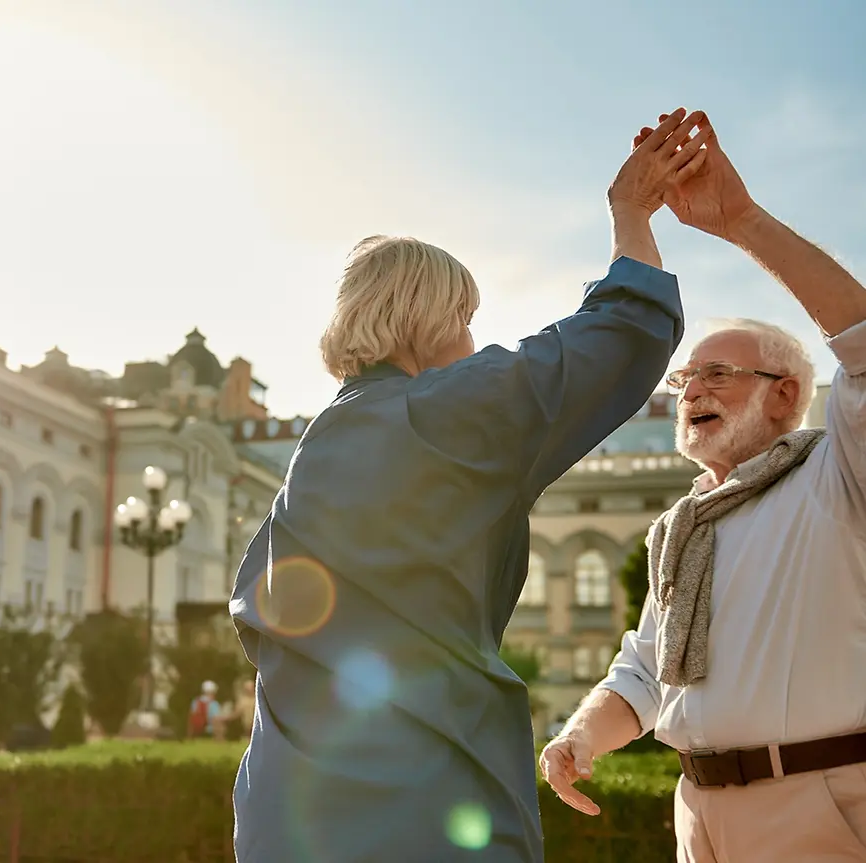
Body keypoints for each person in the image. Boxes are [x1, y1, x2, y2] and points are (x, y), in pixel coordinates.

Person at [227, 108, 708, 863]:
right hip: (419, 795)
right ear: (430, 318)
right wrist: (630, 214)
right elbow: (625, 331)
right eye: (466, 318)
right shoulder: (438, 414)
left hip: (286, 807)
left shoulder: (321, 445)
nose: (473, 341)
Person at [540, 116, 866, 862]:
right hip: (698, 813)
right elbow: (647, 670)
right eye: (685, 378)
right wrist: (579, 736)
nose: (691, 390)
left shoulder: (839, 472)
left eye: (718, 373)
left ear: (786, 395)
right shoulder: (680, 524)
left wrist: (741, 220)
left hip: (816, 801)